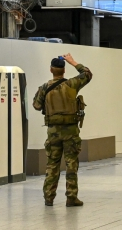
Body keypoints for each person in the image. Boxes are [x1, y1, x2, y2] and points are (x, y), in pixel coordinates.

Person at [33, 53, 93, 207]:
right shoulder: (72, 84)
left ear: (51, 70)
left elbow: (36, 105)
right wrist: (73, 61)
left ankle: (48, 197)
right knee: (71, 163)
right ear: (64, 70)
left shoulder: (44, 88)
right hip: (71, 132)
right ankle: (71, 197)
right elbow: (87, 74)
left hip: (53, 132)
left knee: (52, 163)